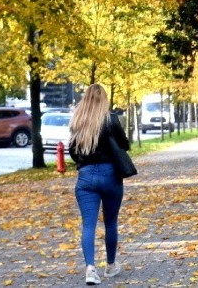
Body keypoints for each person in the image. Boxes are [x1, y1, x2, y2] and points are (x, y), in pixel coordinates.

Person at [69, 84, 130, 285]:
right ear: (104, 99)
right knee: (110, 222)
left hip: (85, 177)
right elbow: (125, 145)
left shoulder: (78, 120)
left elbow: (72, 151)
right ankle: (110, 266)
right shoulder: (110, 119)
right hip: (111, 175)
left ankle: (90, 269)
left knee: (88, 225)